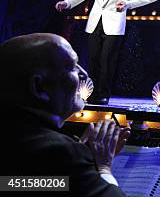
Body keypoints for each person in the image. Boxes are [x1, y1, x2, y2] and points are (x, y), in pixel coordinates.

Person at [0, 33, 129, 196]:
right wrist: (103, 168)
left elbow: (16, 184)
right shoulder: (58, 152)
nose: (84, 74)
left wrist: (81, 162)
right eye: (72, 66)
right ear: (39, 87)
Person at [55, 0, 134, 105]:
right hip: (96, 22)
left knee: (107, 60)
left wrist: (124, 3)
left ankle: (104, 94)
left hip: (114, 22)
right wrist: (68, 2)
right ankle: (92, 93)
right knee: (93, 59)